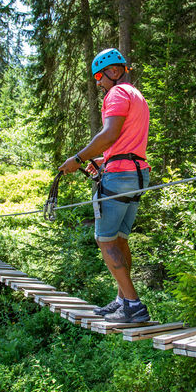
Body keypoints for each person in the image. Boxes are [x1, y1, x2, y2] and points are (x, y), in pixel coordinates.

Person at [58, 48, 151, 324]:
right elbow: (125, 139)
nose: (98, 83)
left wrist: (78, 159)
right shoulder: (136, 96)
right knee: (120, 238)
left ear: (114, 71)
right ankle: (123, 299)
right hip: (136, 173)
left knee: (104, 239)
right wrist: (103, 159)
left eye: (99, 76)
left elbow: (109, 133)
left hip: (120, 176)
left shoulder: (118, 94)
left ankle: (133, 305)